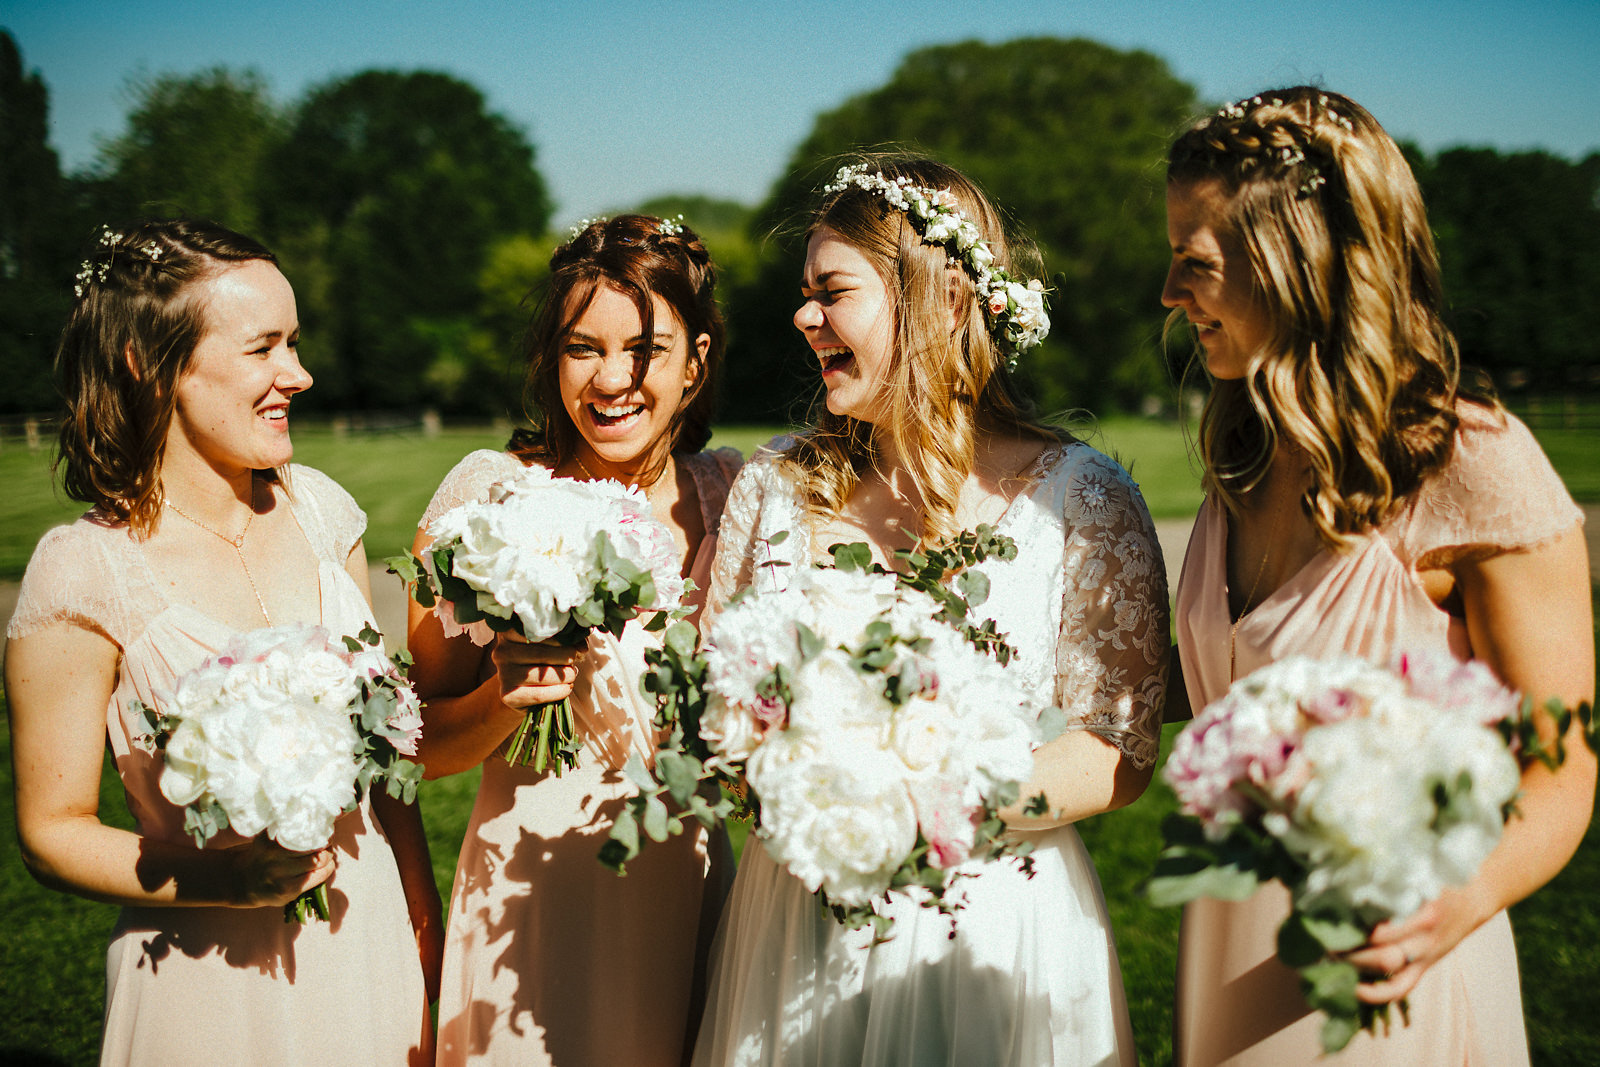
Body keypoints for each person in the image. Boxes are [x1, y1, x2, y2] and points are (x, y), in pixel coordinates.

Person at [690, 155, 1169, 1067]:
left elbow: (1117, 748)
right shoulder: (774, 486)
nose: (802, 316)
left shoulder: (1078, 496)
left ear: (945, 299)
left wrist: (920, 810)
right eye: (803, 293)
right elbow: (717, 706)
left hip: (994, 922)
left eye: (833, 290)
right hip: (796, 925)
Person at [1162, 87, 1595, 1066]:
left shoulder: (1470, 459)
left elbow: (1561, 764)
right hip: (1224, 953)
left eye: (1194, 262)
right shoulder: (1242, 450)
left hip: (1389, 971)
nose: (1167, 293)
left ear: (1301, 262)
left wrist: (1454, 899)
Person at [5, 219, 438, 1064]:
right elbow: (51, 829)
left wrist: (426, 928)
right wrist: (227, 882)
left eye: (297, 343)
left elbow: (392, 775)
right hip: (205, 972)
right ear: (146, 361)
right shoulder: (84, 568)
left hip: (367, 940)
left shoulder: (322, 510)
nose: (299, 374)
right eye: (264, 347)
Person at [409, 213, 741, 1066]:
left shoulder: (740, 495)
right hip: (535, 896)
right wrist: (502, 698)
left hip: (695, 885)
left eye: (646, 349)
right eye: (582, 347)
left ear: (697, 361)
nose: (612, 378)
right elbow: (414, 747)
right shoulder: (488, 497)